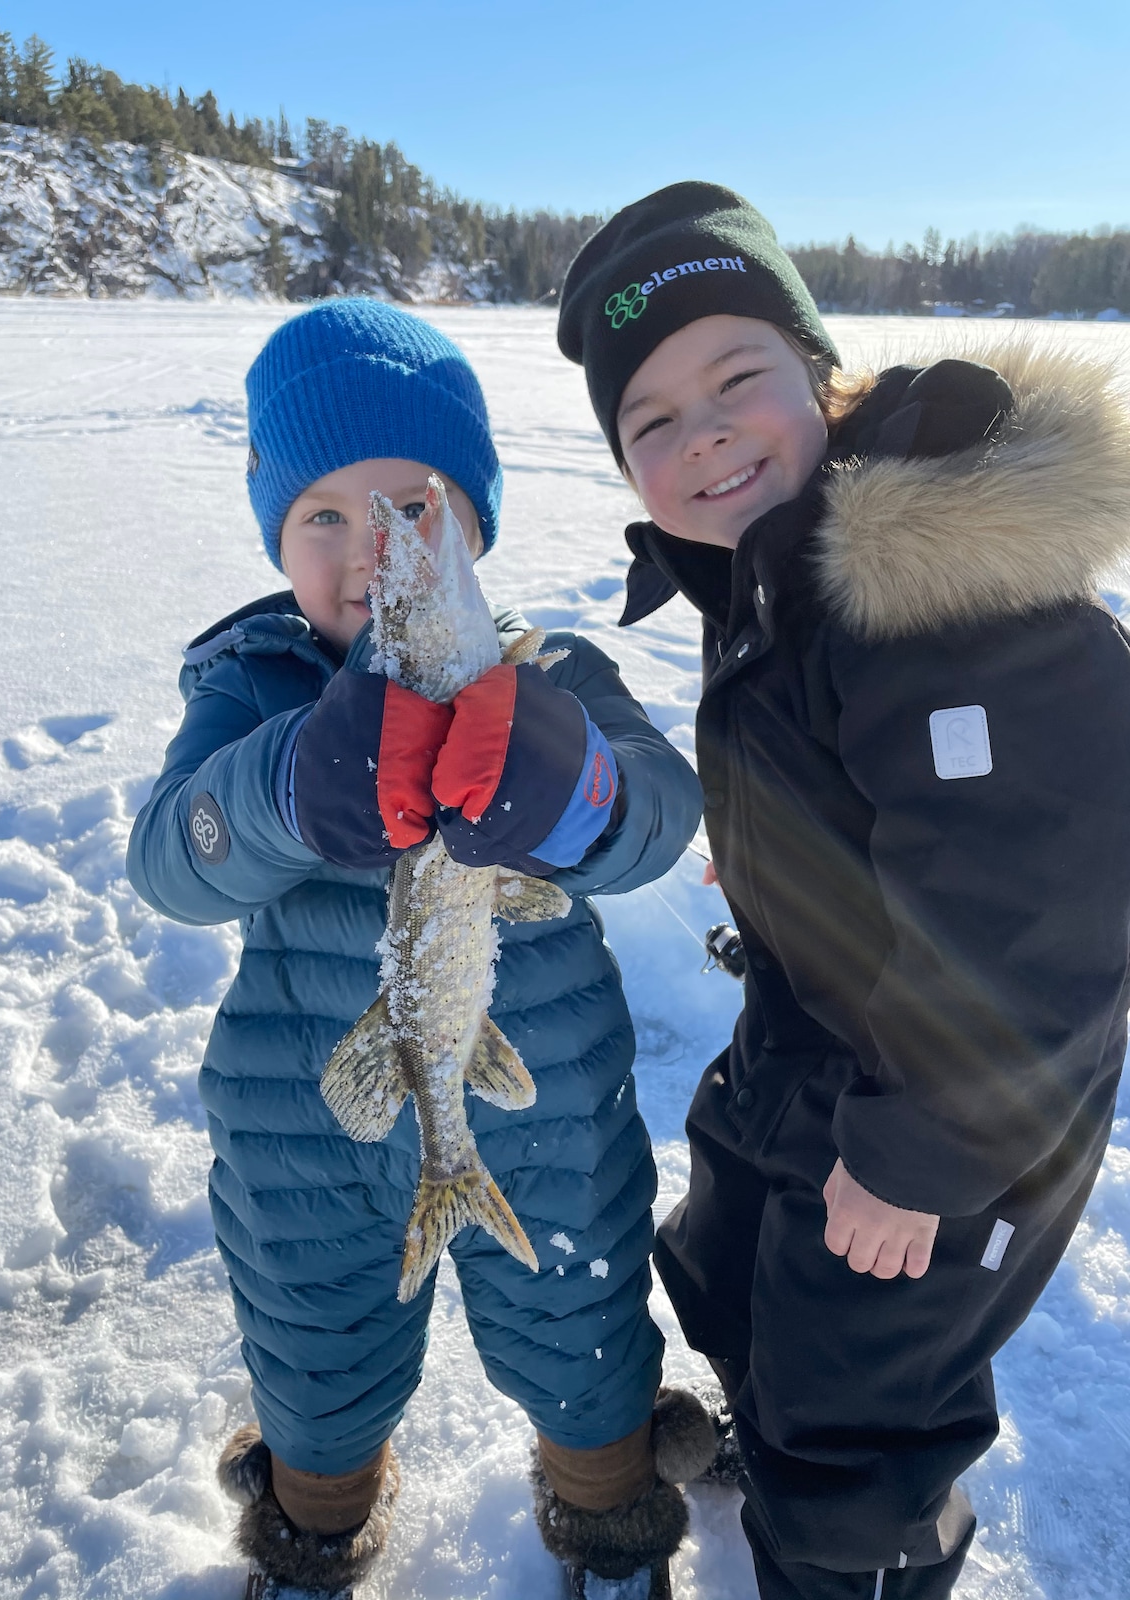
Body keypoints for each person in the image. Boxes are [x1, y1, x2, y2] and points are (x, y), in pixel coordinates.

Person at [556, 180, 1130, 1600]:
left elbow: (1048, 906)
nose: (702, 437)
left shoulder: (938, 585)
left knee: (858, 1402)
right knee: (738, 1263)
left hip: (961, 1088)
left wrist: (918, 1150)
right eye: (651, 422)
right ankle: (778, 1441)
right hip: (829, 1029)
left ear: (820, 373)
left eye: (736, 378)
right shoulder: (776, 568)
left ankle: (848, 1548)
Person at [126, 299, 714, 1600]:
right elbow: (169, 856)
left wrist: (577, 790)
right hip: (307, 1128)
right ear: (276, 530)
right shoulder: (254, 687)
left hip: (544, 1114)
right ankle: (311, 1531)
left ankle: (614, 1531)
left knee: (584, 1337)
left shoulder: (553, 674)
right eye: (324, 515)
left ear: (473, 527)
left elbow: (657, 817)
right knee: (312, 1352)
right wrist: (282, 787)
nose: (369, 550)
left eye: (412, 508)